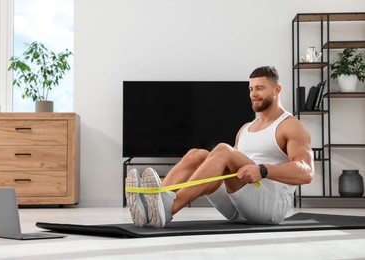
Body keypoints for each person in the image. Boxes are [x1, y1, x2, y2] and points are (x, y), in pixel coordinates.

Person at [125, 66, 314, 228]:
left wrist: (263, 170)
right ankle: (153, 204)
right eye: (250, 89)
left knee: (223, 150)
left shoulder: (291, 125)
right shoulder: (246, 129)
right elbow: (225, 166)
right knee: (197, 155)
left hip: (271, 206)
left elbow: (307, 173)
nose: (253, 94)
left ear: (277, 89)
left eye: (260, 88)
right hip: (239, 205)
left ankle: (169, 209)